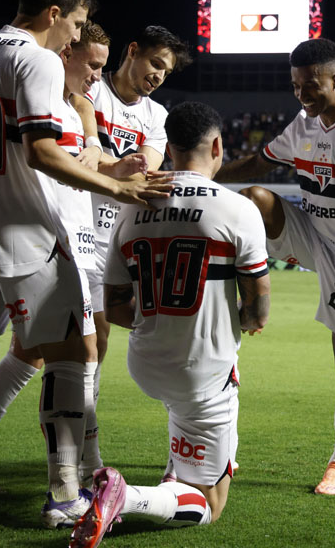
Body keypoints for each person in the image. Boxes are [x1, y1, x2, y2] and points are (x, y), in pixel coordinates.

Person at [0, 0, 173, 530]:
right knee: (71, 355)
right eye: (78, 24)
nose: (75, 38)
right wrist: (119, 186)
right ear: (55, 14)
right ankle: (64, 494)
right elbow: (40, 152)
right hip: (27, 236)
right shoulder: (35, 58)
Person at [0, 21, 147, 504]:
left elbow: (86, 150)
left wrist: (104, 159)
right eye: (91, 64)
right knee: (68, 354)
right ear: (65, 51)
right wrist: (102, 165)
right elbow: (46, 155)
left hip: (71, 242)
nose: (96, 79)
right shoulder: (34, 88)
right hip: (41, 243)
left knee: (36, 352)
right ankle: (76, 479)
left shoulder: (76, 102)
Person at [214, 38, 335, 495]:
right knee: (255, 201)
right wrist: (200, 171)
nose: (302, 95)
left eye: (311, 86)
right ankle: (249, 302)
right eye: (296, 86)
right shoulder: (302, 124)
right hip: (309, 231)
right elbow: (256, 163)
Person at [69, 102, 270, 546]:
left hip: (146, 360)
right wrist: (235, 322)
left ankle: (179, 466)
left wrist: (156, 320)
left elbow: (116, 307)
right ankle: (129, 497)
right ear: (216, 146)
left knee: (191, 415)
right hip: (202, 367)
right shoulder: (237, 209)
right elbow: (258, 310)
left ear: (171, 148)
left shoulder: (133, 206)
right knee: (210, 506)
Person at [70, 28, 191, 481]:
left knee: (142, 342)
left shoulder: (157, 115)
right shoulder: (89, 88)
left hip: (125, 242)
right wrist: (110, 165)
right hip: (80, 231)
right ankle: (85, 456)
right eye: (155, 63)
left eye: (166, 71)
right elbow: (84, 154)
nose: (158, 75)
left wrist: (108, 162)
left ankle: (176, 457)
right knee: (87, 348)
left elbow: (146, 167)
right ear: (132, 51)